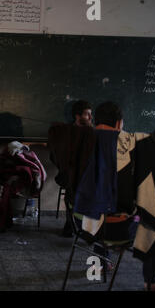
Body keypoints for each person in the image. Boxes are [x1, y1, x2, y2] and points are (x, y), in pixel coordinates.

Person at [76, 101, 155, 291]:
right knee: (151, 223)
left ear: (95, 121)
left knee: (101, 203)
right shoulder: (136, 142)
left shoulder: (81, 140)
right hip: (118, 230)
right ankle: (154, 281)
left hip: (82, 224)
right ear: (119, 123)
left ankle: (101, 263)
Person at [60, 100, 94, 238]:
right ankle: (70, 224)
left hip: (87, 174)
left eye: (91, 114)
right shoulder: (68, 132)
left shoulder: (92, 132)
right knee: (70, 193)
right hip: (71, 173)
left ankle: (85, 227)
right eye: (87, 114)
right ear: (77, 116)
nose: (90, 118)